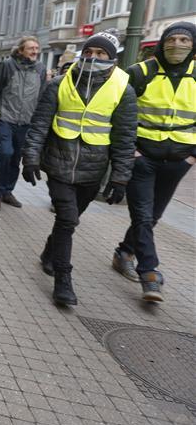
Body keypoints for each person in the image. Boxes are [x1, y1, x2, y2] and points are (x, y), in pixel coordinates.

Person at [21, 33, 136, 306]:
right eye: (89, 51)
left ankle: (50, 252)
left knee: (69, 221)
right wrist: (30, 158)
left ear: (112, 58)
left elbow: (124, 137)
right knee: (67, 218)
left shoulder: (123, 89)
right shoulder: (59, 84)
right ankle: (63, 279)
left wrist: (120, 178)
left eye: (100, 53)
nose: (93, 57)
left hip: (93, 170)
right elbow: (40, 124)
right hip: (58, 163)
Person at [112, 21, 196, 302]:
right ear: (162, 43)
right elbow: (118, 110)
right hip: (142, 157)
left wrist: (192, 156)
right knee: (143, 215)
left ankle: (124, 252)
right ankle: (149, 273)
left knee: (153, 215)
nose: (177, 45)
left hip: (179, 160)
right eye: (172, 39)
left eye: (184, 40)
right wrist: (131, 150)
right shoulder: (141, 72)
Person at [0, 36, 46, 211]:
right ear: (20, 50)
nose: (35, 51)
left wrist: (40, 122)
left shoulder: (40, 69)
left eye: (37, 48)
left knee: (16, 158)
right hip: (5, 118)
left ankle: (7, 191)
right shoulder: (7, 65)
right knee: (5, 152)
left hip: (27, 122)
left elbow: (42, 97)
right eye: (31, 48)